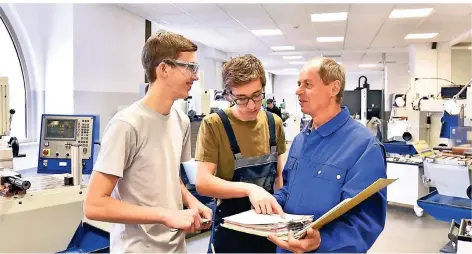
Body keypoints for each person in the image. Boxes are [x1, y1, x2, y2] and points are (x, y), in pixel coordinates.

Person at [83, 31, 212, 253]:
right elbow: (94, 205)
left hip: (175, 247)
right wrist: (165, 215)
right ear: (163, 69)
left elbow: (169, 177)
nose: (196, 76)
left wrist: (192, 201)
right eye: (189, 67)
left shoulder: (180, 120)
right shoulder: (126, 125)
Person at [268, 58, 387, 253]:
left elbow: (366, 220)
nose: (298, 91)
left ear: (334, 89)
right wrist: (271, 203)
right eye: (298, 84)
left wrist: (322, 240)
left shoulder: (364, 146)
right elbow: (289, 190)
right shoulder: (300, 141)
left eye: (308, 84)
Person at [195, 54, 287, 253]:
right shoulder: (214, 124)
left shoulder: (274, 123)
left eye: (257, 95)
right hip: (230, 233)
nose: (252, 105)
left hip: (269, 228)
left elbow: (280, 177)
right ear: (229, 95)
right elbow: (202, 183)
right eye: (242, 99)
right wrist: (250, 189)